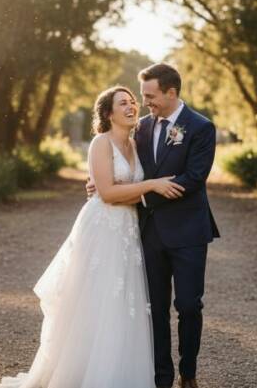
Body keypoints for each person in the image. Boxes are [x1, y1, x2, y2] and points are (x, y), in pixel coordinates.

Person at [0, 85, 185, 388]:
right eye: (123, 103)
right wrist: (150, 186)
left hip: (129, 230)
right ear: (109, 113)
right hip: (103, 229)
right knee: (96, 301)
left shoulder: (137, 144)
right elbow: (108, 193)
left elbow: (119, 189)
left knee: (126, 302)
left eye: (133, 101)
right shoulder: (100, 143)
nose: (131, 106)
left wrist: (138, 189)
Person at [87, 63, 220, 388]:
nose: (143, 102)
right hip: (148, 232)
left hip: (188, 231)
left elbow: (192, 179)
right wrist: (101, 187)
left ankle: (188, 373)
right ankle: (161, 378)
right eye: (141, 95)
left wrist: (138, 194)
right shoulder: (141, 128)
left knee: (188, 305)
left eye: (150, 95)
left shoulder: (201, 127)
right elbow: (123, 169)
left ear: (171, 92)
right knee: (154, 308)